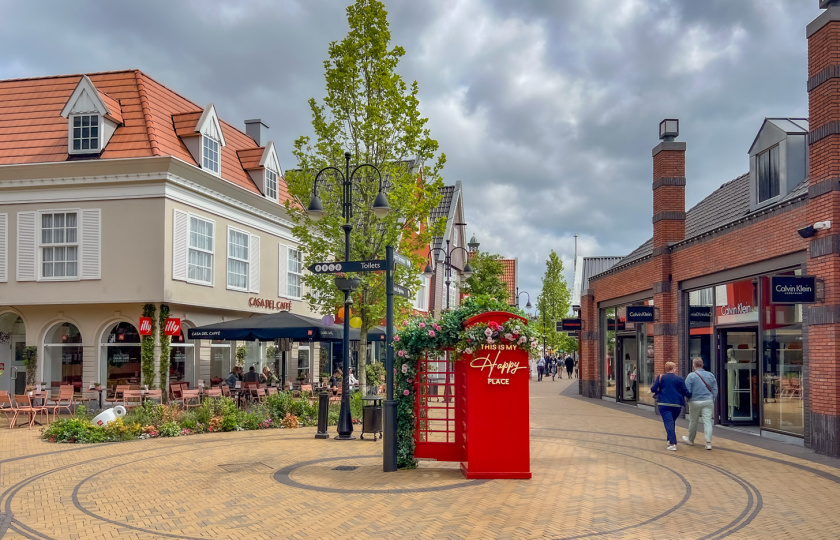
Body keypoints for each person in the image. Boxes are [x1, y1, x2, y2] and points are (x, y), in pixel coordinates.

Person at [650, 361, 691, 451]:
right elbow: (685, 391)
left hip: (663, 403)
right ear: (674, 369)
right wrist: (691, 395)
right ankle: (670, 440)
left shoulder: (660, 377)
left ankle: (672, 443)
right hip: (677, 404)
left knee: (669, 423)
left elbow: (653, 389)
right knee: (671, 422)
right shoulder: (679, 379)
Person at [683, 357, 718, 450]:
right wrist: (712, 398)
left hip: (694, 401)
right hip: (708, 401)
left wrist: (688, 399)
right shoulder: (710, 375)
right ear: (702, 365)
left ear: (694, 365)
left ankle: (691, 440)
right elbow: (715, 389)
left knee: (693, 421)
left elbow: (687, 390)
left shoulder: (691, 376)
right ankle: (708, 443)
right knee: (708, 422)